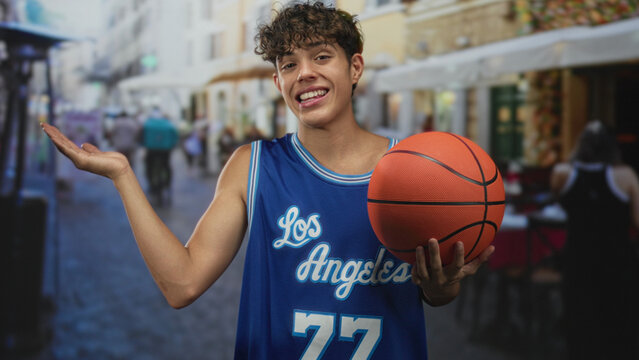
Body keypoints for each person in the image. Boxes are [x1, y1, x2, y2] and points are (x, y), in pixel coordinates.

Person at [41, 2, 493, 358]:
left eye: (321, 56)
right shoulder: (252, 165)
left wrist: (442, 286)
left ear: (354, 68)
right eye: (289, 64)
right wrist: (123, 176)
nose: (306, 73)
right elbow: (181, 285)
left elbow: (439, 291)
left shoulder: (413, 169)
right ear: (278, 82)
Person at [550, 120, 639, 359]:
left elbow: (560, 204)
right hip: (617, 260)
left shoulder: (562, 174)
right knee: (616, 319)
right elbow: (637, 220)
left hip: (579, 258)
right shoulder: (626, 176)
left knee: (580, 320)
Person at [141, 107, 179, 204]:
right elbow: (175, 137)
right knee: (166, 166)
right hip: (165, 150)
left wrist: (144, 144)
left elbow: (141, 137)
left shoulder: (148, 124)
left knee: (149, 166)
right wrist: (172, 145)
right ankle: (167, 184)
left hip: (152, 149)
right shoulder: (168, 124)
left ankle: (152, 184)